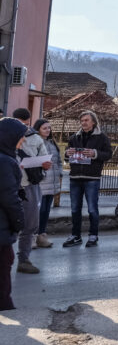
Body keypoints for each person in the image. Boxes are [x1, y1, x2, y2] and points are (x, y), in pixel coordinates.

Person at [63, 111, 112, 248]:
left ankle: (93, 235)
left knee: (92, 209)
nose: (83, 122)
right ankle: (76, 236)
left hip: (92, 178)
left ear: (93, 122)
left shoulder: (102, 138)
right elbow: (67, 155)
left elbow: (108, 154)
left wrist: (94, 153)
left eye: (86, 120)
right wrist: (67, 154)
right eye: (82, 120)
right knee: (74, 209)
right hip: (75, 177)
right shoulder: (74, 137)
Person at [12, 108, 50, 273]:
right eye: (21, 124)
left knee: (30, 224)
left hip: (29, 186)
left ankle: (24, 260)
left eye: (27, 125)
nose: (24, 128)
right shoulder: (5, 135)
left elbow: (45, 159)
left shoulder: (35, 138)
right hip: (8, 186)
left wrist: (44, 166)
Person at [0, 118, 28, 310]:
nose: (23, 141)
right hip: (1, 227)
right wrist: (19, 222)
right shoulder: (4, 162)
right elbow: (9, 198)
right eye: (20, 138)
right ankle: (5, 306)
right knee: (3, 267)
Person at [33, 119, 62, 250]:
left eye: (49, 128)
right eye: (45, 128)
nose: (48, 130)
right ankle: (32, 237)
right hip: (41, 182)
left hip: (52, 183)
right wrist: (41, 174)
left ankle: (42, 235)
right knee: (37, 211)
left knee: (45, 212)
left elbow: (59, 161)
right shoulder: (35, 143)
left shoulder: (52, 143)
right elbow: (33, 162)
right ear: (38, 129)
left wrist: (60, 172)